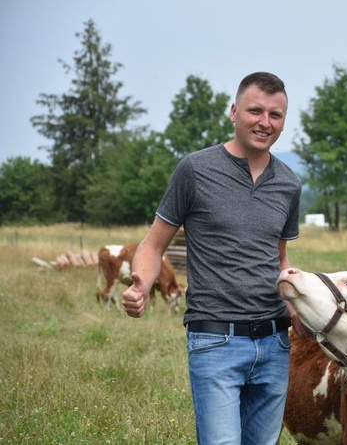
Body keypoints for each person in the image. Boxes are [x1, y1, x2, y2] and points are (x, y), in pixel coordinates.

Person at [122, 71, 306, 444]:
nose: (265, 123)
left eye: (276, 115)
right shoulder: (195, 170)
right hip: (215, 341)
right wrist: (141, 282)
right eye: (256, 111)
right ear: (234, 111)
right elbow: (154, 244)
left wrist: (297, 297)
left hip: (275, 343)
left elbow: (280, 257)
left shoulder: (289, 183)